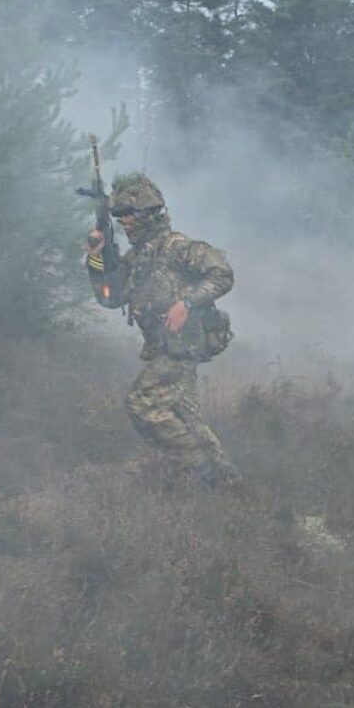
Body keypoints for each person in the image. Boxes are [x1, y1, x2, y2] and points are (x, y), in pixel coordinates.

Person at [85, 173, 240, 488]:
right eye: (120, 216)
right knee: (187, 418)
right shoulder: (136, 258)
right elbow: (110, 298)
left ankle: (200, 471)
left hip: (184, 346)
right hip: (166, 347)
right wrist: (95, 257)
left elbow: (222, 273)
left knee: (143, 402)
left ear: (147, 213)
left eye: (129, 214)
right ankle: (228, 484)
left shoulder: (177, 247)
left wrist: (186, 303)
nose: (124, 222)